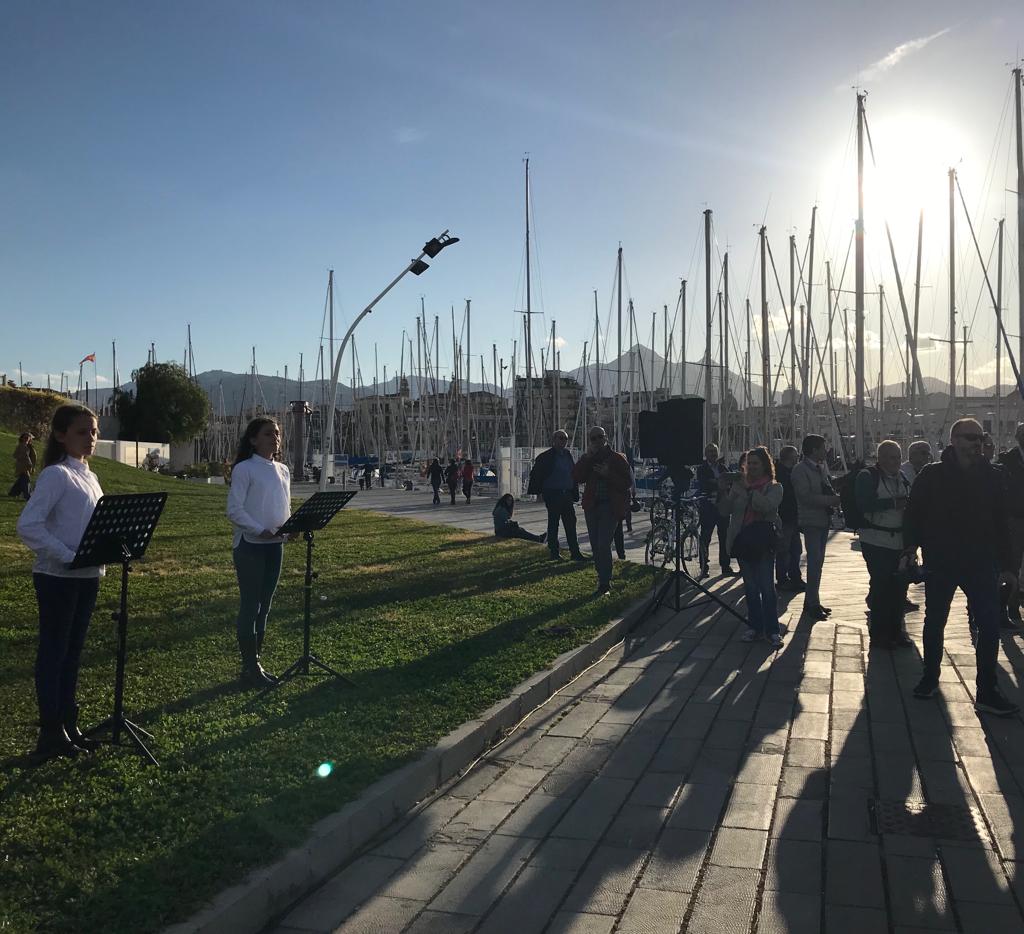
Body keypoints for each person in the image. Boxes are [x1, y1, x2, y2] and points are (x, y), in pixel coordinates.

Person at [904, 418, 1019, 715]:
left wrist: (1009, 566)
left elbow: (1001, 523)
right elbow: (914, 514)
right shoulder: (932, 475)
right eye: (969, 437)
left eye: (980, 437)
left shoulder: (993, 476)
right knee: (935, 621)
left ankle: (987, 689)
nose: (977, 443)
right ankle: (929, 678)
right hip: (941, 561)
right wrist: (910, 549)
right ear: (954, 440)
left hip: (981, 562)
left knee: (990, 624)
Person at [16, 405, 104, 758]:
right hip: (57, 578)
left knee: (72, 654)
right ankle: (51, 731)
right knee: (54, 653)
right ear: (60, 435)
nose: (91, 438)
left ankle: (69, 724)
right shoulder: (56, 475)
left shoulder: (90, 476)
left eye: (94, 432)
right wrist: (68, 555)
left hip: (86, 577)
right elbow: (28, 525)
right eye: (83, 432)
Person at [226, 417, 291, 689]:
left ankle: (256, 663)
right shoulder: (244, 469)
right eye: (267, 434)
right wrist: (258, 529)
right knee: (250, 605)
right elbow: (234, 509)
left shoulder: (283, 470)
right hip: (251, 546)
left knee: (265, 606)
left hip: (275, 546)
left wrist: (291, 527)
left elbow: (283, 505)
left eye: (276, 433)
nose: (274, 438)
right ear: (253, 439)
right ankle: (249, 667)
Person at [721, 446, 784, 647]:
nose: (752, 467)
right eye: (749, 463)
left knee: (766, 586)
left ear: (765, 465)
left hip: (763, 541)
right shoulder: (738, 486)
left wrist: (748, 490)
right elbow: (725, 510)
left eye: (756, 463)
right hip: (742, 540)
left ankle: (772, 629)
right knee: (750, 586)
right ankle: (754, 626)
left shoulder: (774, 487)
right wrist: (723, 490)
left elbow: (766, 506)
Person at [855, 440, 913, 649]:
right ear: (880, 458)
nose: (896, 461)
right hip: (875, 539)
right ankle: (879, 635)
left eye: (898, 457)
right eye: (891, 457)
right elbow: (862, 504)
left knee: (899, 588)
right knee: (881, 587)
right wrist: (892, 503)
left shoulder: (902, 477)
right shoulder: (868, 476)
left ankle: (897, 632)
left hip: (898, 541)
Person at [572, 426, 632, 596]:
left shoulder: (617, 458)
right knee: (595, 545)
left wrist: (608, 474)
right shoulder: (589, 458)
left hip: (610, 507)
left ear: (606, 438)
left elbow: (627, 483)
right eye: (593, 438)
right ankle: (601, 576)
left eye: (600, 437)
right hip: (592, 506)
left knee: (603, 543)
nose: (597, 441)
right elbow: (576, 476)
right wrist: (586, 458)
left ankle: (605, 582)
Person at [792, 434, 842, 621]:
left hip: (822, 520)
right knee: (814, 563)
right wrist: (832, 500)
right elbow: (805, 496)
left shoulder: (819, 468)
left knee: (818, 563)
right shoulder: (800, 470)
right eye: (823, 447)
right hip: (810, 520)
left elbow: (824, 488)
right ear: (813, 450)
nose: (825, 450)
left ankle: (812, 600)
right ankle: (812, 604)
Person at [527, 429, 585, 562]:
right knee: (553, 524)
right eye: (560, 438)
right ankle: (554, 552)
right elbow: (536, 474)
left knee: (571, 524)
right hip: (553, 494)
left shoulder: (568, 455)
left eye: (565, 439)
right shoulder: (546, 456)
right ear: (554, 440)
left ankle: (575, 552)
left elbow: (573, 473)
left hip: (567, 495)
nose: (563, 441)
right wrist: (540, 492)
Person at [696, 443, 737, 579]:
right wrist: (719, 482)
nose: (713, 454)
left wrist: (721, 483)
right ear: (706, 454)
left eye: (715, 451)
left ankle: (725, 566)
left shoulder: (723, 467)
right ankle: (704, 566)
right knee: (705, 538)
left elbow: (730, 483)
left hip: (722, 506)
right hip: (708, 508)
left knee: (724, 537)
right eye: (710, 451)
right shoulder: (702, 469)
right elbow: (704, 484)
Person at [998, 423, 1024, 625]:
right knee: (1012, 565)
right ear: (1017, 436)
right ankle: (1012, 608)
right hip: (1015, 519)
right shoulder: (1006, 460)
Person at [774, 445, 804, 592]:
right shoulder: (780, 473)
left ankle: (795, 577)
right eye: (796, 455)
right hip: (784, 516)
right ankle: (782, 579)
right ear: (790, 457)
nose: (797, 458)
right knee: (784, 550)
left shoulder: (791, 472)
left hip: (793, 516)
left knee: (796, 549)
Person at [9, 431, 36, 500]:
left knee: (22, 479)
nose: (27, 439)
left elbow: (15, 455)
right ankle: (27, 496)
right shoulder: (24, 447)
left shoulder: (21, 445)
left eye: (28, 437)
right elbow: (26, 457)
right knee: (26, 479)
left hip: (21, 466)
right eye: (25, 437)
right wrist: (31, 466)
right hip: (24, 466)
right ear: (22, 438)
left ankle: (13, 492)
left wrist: (20, 457)